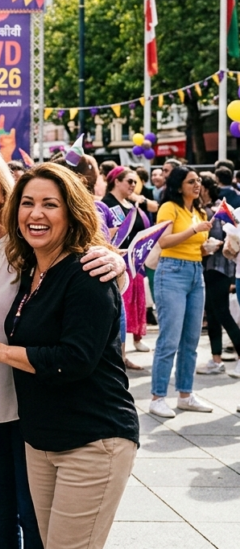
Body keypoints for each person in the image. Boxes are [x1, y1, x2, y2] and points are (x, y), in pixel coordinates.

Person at [0, 145, 126, 549]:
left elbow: (86, 286)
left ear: (3, 190)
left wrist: (116, 264)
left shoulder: (28, 241)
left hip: (39, 404)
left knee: (36, 518)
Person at [148, 166, 216, 418]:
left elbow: (196, 246)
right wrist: (194, 231)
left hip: (196, 272)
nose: (197, 185)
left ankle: (185, 395)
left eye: (198, 180)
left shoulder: (199, 211)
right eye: (191, 181)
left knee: (191, 340)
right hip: (172, 272)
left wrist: (208, 247)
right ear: (178, 186)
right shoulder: (169, 208)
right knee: (169, 339)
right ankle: (157, 397)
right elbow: (163, 241)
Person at [102, 166, 153, 367]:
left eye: (135, 182)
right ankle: (120, 356)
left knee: (134, 306)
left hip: (134, 263)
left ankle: (130, 346)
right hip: (117, 263)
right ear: (116, 181)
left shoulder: (132, 204)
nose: (133, 185)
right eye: (130, 181)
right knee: (121, 311)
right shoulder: (106, 204)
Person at [196, 175, 240, 375]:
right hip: (214, 269)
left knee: (221, 313)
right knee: (214, 314)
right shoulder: (212, 209)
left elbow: (223, 238)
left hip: (217, 268)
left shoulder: (217, 211)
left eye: (198, 185)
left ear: (205, 189)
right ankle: (216, 359)